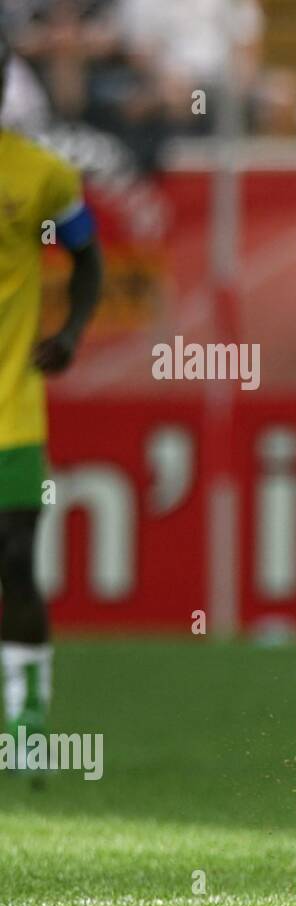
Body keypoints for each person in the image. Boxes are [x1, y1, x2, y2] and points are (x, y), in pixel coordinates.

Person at [0, 28, 103, 764]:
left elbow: (87, 256)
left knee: (14, 564)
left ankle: (27, 726)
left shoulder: (41, 174)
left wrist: (69, 334)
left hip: (13, 410)